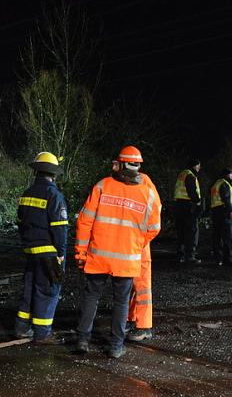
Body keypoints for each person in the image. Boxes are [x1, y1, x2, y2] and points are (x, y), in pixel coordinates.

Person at [75, 146, 161, 358]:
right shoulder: (147, 194)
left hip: (98, 257)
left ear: (120, 164)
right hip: (126, 261)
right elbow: (154, 228)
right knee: (121, 302)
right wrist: (136, 244)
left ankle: (83, 340)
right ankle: (115, 346)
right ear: (138, 166)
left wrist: (80, 253)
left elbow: (84, 221)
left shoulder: (102, 186)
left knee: (91, 297)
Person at [13, 152, 68, 345]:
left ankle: (21, 327)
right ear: (53, 174)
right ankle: (42, 333)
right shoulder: (54, 195)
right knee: (47, 291)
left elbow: (20, 222)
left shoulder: (26, 193)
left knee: (29, 288)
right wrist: (60, 254)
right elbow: (60, 229)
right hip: (48, 252)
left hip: (30, 251)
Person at [122, 147, 162, 343]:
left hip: (137, 243)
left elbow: (154, 219)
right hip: (134, 243)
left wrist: (140, 240)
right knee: (131, 285)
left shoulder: (142, 183)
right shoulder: (140, 182)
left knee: (141, 285)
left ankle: (143, 325)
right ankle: (131, 320)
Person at [173, 158, 202, 263]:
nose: (199, 168)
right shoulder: (190, 175)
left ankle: (180, 254)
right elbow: (192, 191)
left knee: (181, 230)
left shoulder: (182, 174)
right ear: (194, 166)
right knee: (192, 230)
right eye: (198, 166)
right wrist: (198, 201)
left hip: (179, 205)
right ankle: (190, 255)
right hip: (188, 206)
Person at [210, 167, 232, 267]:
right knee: (228, 236)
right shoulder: (225, 184)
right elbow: (226, 198)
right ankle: (228, 258)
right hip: (224, 211)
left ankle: (218, 258)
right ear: (228, 174)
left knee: (217, 236)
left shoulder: (216, 183)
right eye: (231, 174)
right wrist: (231, 210)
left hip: (216, 211)